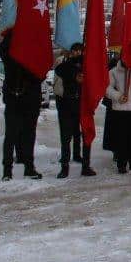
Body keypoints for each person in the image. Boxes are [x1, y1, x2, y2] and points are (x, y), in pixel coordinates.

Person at [0, 33, 43, 181]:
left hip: (31, 99)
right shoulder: (11, 56)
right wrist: (16, 32)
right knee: (11, 135)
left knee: (29, 135)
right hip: (13, 98)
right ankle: (7, 171)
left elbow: (41, 73)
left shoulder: (34, 52)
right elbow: (3, 49)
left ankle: (29, 168)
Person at [106, 59, 131, 174]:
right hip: (121, 110)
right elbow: (108, 89)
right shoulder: (113, 72)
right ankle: (121, 164)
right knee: (122, 138)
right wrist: (118, 96)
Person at [53, 43, 87, 178]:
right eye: (75, 51)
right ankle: (64, 166)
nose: (77, 53)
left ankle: (79, 155)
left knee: (78, 132)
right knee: (65, 135)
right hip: (65, 101)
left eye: (80, 51)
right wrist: (70, 61)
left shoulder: (85, 64)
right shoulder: (64, 64)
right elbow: (59, 70)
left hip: (80, 103)